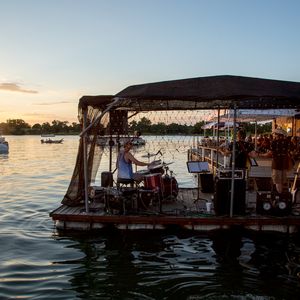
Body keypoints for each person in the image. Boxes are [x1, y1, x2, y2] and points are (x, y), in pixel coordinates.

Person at [260, 128, 294, 194]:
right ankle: (282, 197)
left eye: (275, 134)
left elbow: (270, 153)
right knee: (282, 182)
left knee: (277, 182)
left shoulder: (274, 142)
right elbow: (291, 153)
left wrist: (260, 155)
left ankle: (280, 196)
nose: (274, 135)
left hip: (276, 164)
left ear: (278, 134)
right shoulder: (287, 142)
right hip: (284, 164)